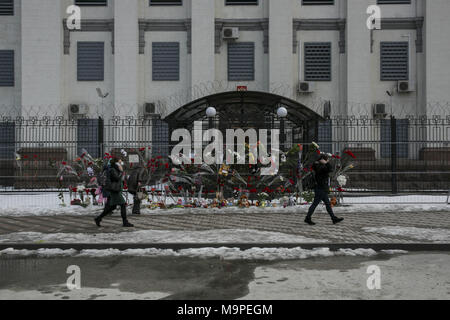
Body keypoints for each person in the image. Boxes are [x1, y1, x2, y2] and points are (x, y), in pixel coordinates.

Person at [305, 154, 344, 226]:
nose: (328, 160)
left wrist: (325, 163)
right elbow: (330, 169)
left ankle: (333, 218)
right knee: (315, 204)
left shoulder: (319, 165)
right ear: (323, 160)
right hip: (320, 188)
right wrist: (326, 163)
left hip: (321, 188)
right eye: (327, 159)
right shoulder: (319, 166)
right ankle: (307, 218)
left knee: (327, 204)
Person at [95, 158, 134, 228]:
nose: (121, 164)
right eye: (119, 162)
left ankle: (98, 218)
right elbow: (116, 178)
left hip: (115, 190)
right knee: (123, 204)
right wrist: (121, 172)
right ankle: (125, 222)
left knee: (112, 207)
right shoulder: (112, 169)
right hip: (114, 190)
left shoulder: (114, 169)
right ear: (116, 163)